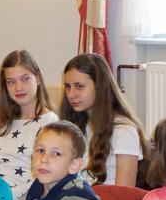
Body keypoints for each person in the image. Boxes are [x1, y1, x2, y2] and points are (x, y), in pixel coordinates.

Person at [61, 53, 150, 186]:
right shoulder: (78, 124)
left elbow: (124, 193)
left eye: (79, 86)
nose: (71, 94)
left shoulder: (124, 131)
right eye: (68, 86)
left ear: (100, 86)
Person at [0, 50, 58, 200]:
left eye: (25, 79)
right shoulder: (3, 123)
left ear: (38, 78)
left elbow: (43, 178)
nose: (19, 88)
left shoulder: (51, 125)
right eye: (11, 82)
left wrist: (4, 197)